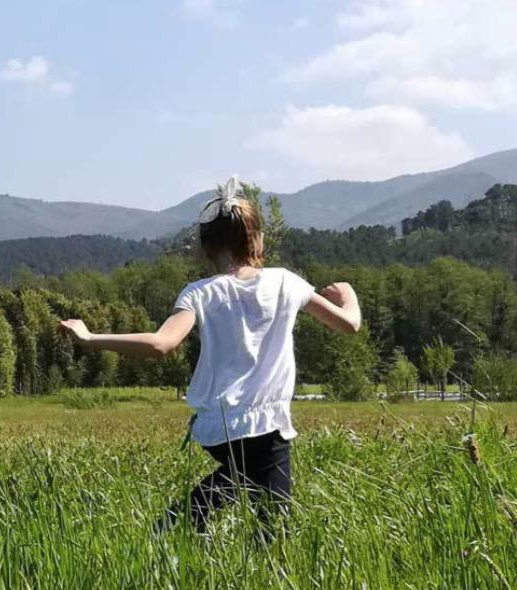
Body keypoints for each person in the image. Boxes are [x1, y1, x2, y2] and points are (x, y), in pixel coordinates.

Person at [59, 177, 361, 533]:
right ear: (258, 239)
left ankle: (174, 536)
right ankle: (169, 532)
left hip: (220, 426)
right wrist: (348, 294)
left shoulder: (200, 292)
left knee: (246, 488)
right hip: (267, 423)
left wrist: (91, 338)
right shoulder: (286, 282)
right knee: (274, 522)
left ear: (205, 247)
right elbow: (349, 325)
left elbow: (161, 344)